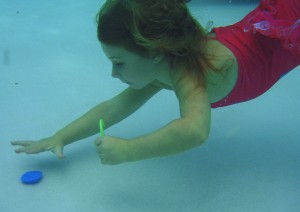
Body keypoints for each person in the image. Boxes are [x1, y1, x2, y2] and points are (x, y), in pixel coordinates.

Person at [11, 0, 299, 165]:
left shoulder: (188, 72)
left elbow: (195, 130)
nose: (113, 73)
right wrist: (59, 137)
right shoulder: (164, 62)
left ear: (155, 51)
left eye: (119, 62)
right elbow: (114, 108)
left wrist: (126, 150)